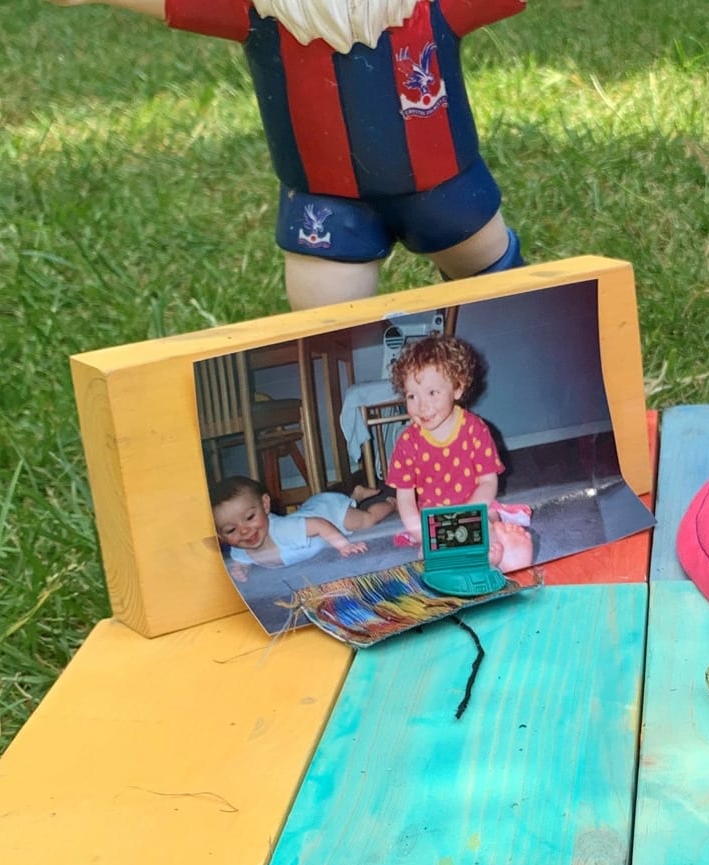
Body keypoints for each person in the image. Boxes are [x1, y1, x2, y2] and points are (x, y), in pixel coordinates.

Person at [48, 0, 528, 309]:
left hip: (446, 188)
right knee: (325, 324)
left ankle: (527, 351)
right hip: (326, 207)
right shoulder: (257, 14)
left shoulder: (435, 7)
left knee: (498, 282)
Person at [384, 334, 534, 570]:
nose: (422, 405)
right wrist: (420, 533)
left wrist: (470, 514)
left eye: (432, 393)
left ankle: (504, 553)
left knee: (491, 523)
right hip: (434, 516)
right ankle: (459, 558)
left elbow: (487, 482)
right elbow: (404, 498)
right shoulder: (406, 442)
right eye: (412, 396)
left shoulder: (475, 429)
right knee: (430, 549)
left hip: (477, 504)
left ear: (457, 387)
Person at [210, 476, 396, 581]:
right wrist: (241, 569)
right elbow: (241, 561)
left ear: (265, 505)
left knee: (366, 521)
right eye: (230, 530)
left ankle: (391, 503)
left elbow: (320, 525)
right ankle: (356, 495)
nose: (243, 532)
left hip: (328, 515)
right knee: (354, 508)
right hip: (310, 514)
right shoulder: (239, 549)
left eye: (250, 518)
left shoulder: (284, 530)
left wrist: (343, 545)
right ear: (221, 536)